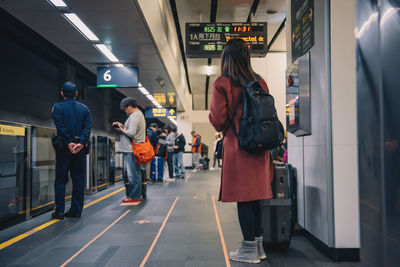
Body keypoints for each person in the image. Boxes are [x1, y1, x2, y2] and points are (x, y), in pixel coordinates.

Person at [209, 38, 274, 264]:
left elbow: (218, 120)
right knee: (256, 198)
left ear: (226, 57)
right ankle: (258, 247)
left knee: (244, 199)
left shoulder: (223, 82)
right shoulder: (260, 81)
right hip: (261, 148)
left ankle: (248, 251)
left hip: (239, 148)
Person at [52, 81, 92, 219]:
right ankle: (76, 211)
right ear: (76, 93)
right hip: (79, 149)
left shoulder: (57, 107)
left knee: (61, 179)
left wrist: (68, 142)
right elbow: (87, 128)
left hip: (64, 148)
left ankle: (60, 211)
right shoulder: (85, 109)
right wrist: (81, 143)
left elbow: (60, 126)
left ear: (62, 93)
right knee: (78, 179)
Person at [112, 97, 146, 203]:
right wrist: (122, 126)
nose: (125, 112)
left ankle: (135, 196)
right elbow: (131, 130)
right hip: (131, 149)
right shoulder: (137, 115)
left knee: (133, 174)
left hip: (131, 150)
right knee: (134, 173)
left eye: (125, 109)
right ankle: (137, 194)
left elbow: (131, 133)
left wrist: (121, 130)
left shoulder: (135, 116)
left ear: (130, 106)